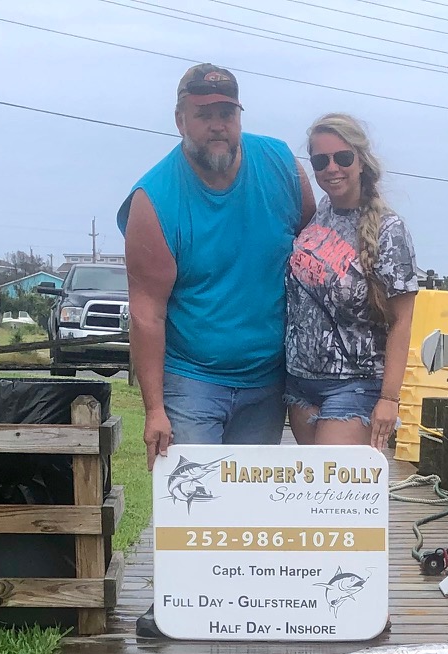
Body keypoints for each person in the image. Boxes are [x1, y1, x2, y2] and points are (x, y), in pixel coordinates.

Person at [119, 64, 315, 465]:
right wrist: (155, 410)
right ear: (180, 120)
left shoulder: (282, 166)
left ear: (239, 116)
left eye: (226, 114)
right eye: (203, 115)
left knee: (249, 513)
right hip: (192, 381)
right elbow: (147, 314)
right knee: (194, 506)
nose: (217, 126)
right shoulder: (153, 200)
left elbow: (315, 248)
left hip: (267, 379)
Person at [283, 113, 418, 453]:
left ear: (361, 161)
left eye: (343, 158)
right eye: (320, 160)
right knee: (313, 498)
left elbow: (402, 321)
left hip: (354, 386)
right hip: (300, 383)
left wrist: (390, 398)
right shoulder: (321, 212)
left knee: (333, 499)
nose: (332, 168)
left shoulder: (389, 230)